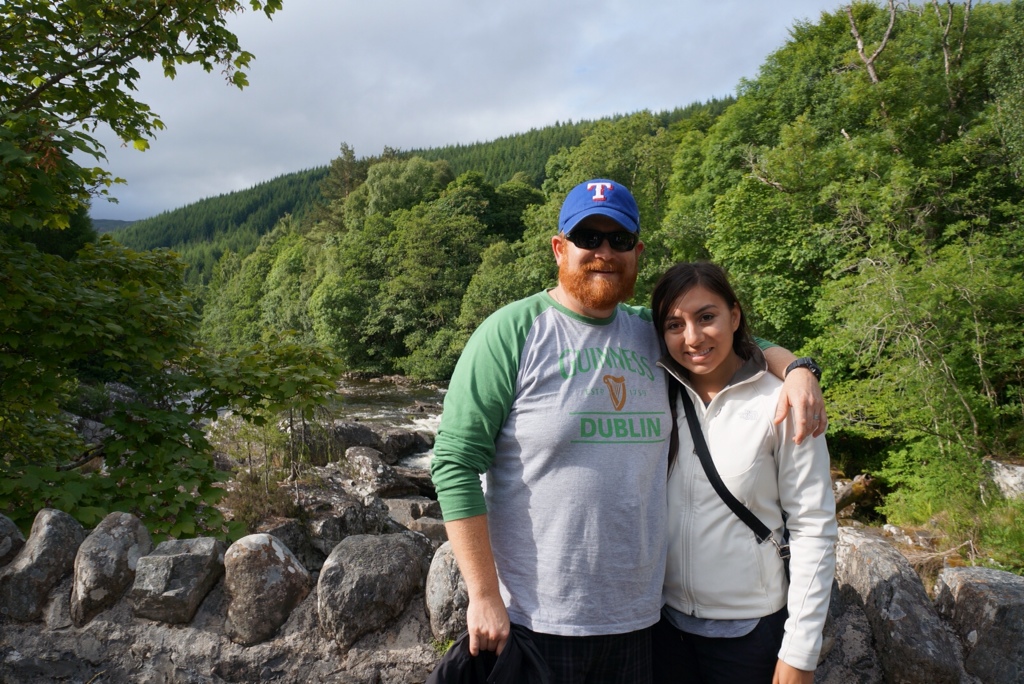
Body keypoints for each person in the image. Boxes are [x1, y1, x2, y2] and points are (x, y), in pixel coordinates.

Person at [430, 179, 825, 684]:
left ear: (637, 253)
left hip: (643, 624)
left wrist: (798, 369)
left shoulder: (652, 332)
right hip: (536, 622)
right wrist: (484, 596)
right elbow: (454, 464)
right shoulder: (511, 332)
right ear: (559, 248)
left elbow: (734, 340)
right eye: (587, 237)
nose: (603, 252)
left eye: (618, 239)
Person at [650, 261, 837, 684]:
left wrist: (800, 651)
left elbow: (813, 527)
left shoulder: (782, 403)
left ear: (734, 316)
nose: (692, 337)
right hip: (664, 630)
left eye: (707, 317)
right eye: (675, 324)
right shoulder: (657, 395)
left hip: (751, 635)